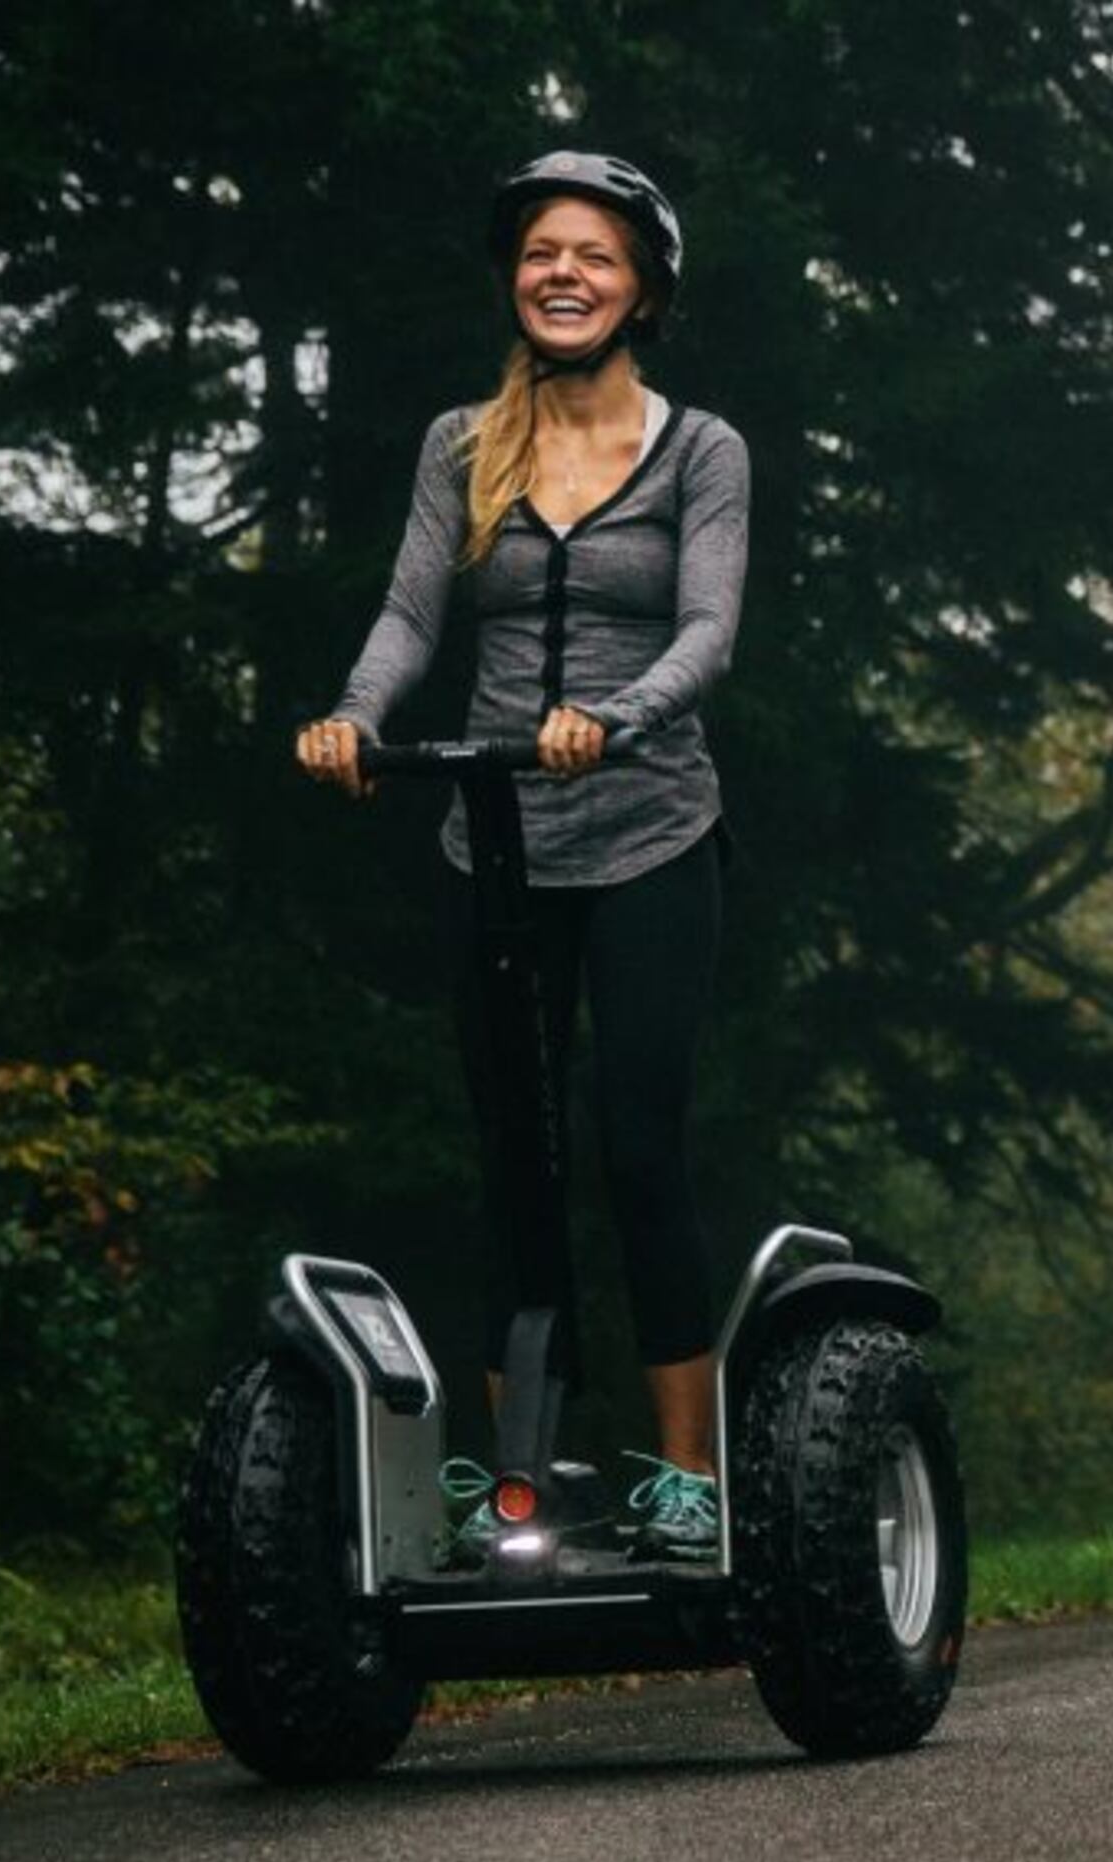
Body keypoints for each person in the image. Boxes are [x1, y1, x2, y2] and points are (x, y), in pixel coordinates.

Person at [293, 150, 749, 1560]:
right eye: (543, 252)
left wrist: (617, 719)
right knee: (514, 1158)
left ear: (646, 289)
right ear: (515, 275)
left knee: (636, 1147)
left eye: (595, 256)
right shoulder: (460, 443)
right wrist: (357, 716)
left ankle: (688, 1477)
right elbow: (411, 616)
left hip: (651, 835)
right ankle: (524, 1476)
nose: (564, 273)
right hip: (491, 838)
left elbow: (708, 632)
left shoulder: (702, 450)